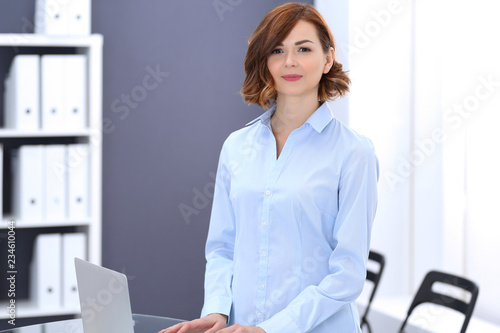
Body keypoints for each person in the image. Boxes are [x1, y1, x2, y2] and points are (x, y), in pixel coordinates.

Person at [160, 3, 378, 332]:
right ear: (266, 61)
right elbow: (222, 247)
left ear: (328, 58)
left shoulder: (353, 153)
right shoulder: (236, 146)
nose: (289, 61)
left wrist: (270, 329)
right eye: (277, 50)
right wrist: (217, 311)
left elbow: (347, 273)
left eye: (303, 49)